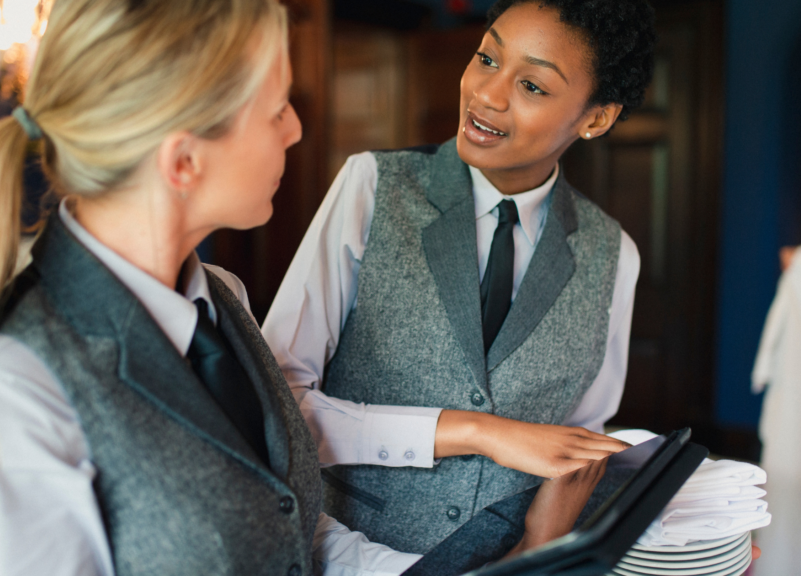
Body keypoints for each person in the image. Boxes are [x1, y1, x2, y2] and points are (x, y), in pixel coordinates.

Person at [0, 0, 612, 574]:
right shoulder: (6, 400)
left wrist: (517, 565)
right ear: (184, 160)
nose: (296, 130)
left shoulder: (219, 300)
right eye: (277, 108)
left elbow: (298, 538)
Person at [262, 0, 652, 555]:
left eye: (533, 86)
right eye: (487, 58)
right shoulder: (373, 187)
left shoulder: (615, 255)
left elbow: (580, 448)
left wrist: (538, 552)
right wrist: (478, 432)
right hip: (343, 552)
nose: (487, 94)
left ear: (596, 118)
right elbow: (278, 405)